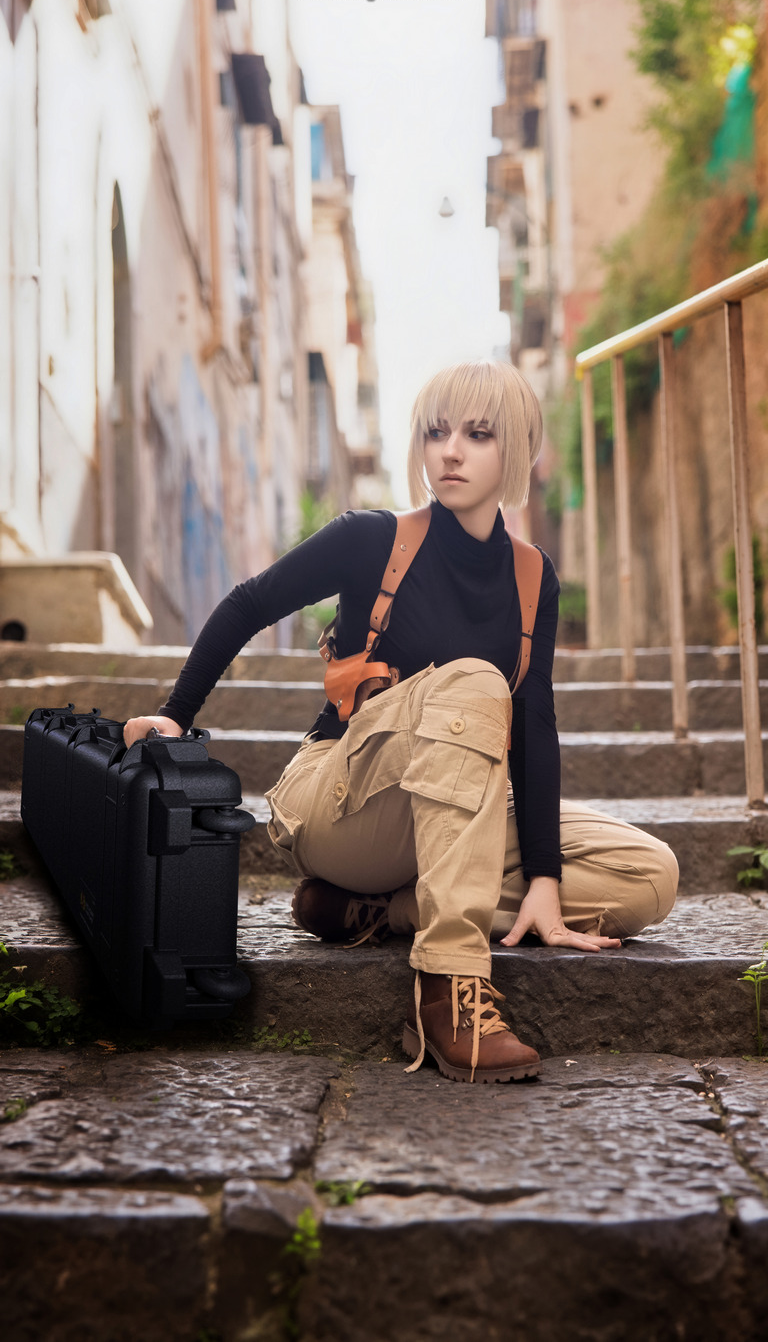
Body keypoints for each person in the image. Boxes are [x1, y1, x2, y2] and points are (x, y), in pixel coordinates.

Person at [124, 358, 678, 1084]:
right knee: (477, 683)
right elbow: (249, 602)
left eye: (478, 434)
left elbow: (535, 724)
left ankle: (380, 912)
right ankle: (446, 986)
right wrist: (174, 715)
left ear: (515, 448)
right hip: (344, 802)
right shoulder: (373, 540)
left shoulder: (534, 578)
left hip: (452, 816)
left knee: (648, 875)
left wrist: (544, 876)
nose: (450, 450)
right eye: (435, 431)